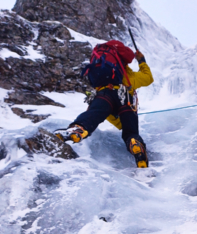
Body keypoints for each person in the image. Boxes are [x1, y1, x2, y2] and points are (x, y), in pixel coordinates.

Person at [56, 40, 154, 168]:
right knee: (131, 132)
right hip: (125, 99)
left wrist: (116, 121)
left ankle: (79, 129)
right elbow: (148, 78)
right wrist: (142, 61)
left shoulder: (101, 75)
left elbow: (105, 113)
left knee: (93, 114)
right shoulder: (129, 76)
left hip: (103, 95)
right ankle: (136, 146)